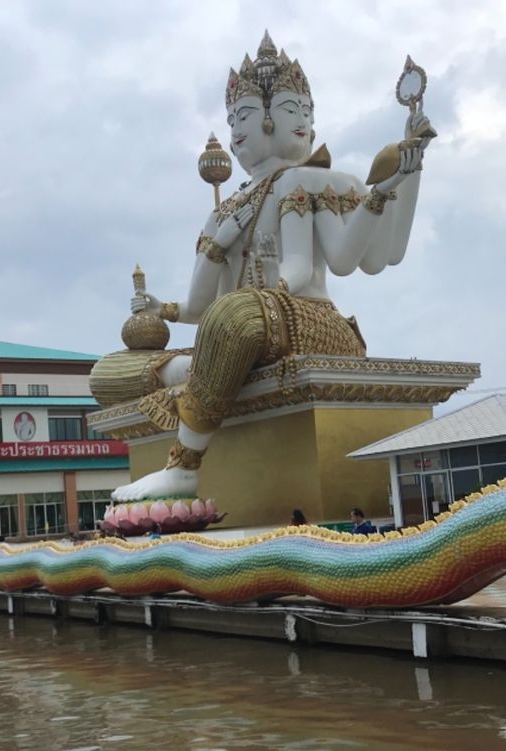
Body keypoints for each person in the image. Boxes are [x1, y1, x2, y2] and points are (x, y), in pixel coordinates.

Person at [99, 33, 431, 503]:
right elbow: (199, 308)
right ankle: (202, 373)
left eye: (297, 111)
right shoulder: (222, 213)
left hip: (308, 321)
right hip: (240, 329)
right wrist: (161, 308)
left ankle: (185, 466)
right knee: (109, 371)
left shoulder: (303, 181)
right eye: (236, 118)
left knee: (234, 316)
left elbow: (349, 260)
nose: (241, 129)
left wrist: (396, 183)